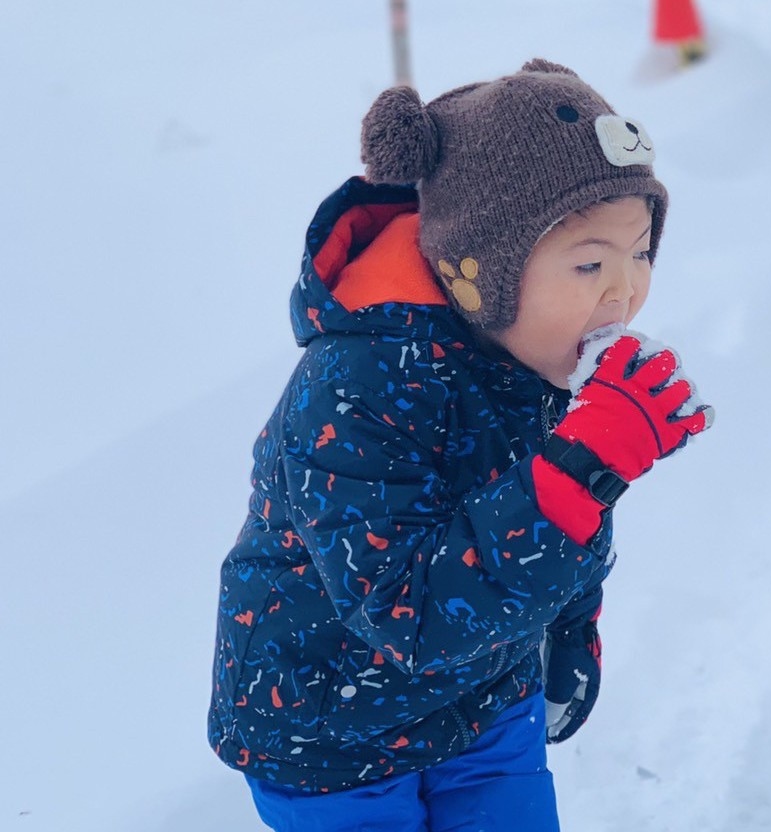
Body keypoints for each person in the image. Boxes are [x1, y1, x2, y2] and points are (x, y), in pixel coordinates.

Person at [208, 58, 712, 831]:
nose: (625, 291)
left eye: (640, 252)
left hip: (485, 698)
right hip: (330, 732)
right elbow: (408, 610)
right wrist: (587, 462)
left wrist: (569, 633)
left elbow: (565, 521)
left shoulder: (535, 353)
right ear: (484, 273)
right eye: (589, 263)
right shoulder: (360, 387)